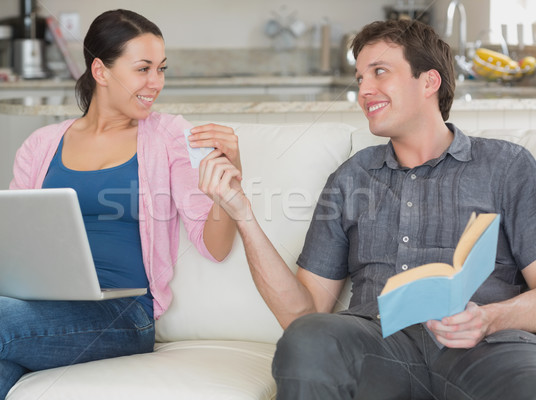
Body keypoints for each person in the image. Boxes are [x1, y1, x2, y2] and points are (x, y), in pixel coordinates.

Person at [209, 19, 536, 399]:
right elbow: (303, 314)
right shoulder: (353, 176)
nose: (364, 89)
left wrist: (490, 318)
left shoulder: (507, 165)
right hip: (380, 347)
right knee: (308, 339)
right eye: (360, 77)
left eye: (379, 72)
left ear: (429, 82)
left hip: (487, 348)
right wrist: (242, 213)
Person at [0, 9, 241, 400]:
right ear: (101, 71)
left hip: (123, 316)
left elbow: (215, 247)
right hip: (40, 309)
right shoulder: (41, 145)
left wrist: (229, 184)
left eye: (161, 69)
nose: (156, 83)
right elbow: (12, 242)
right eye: (143, 69)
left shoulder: (169, 137)